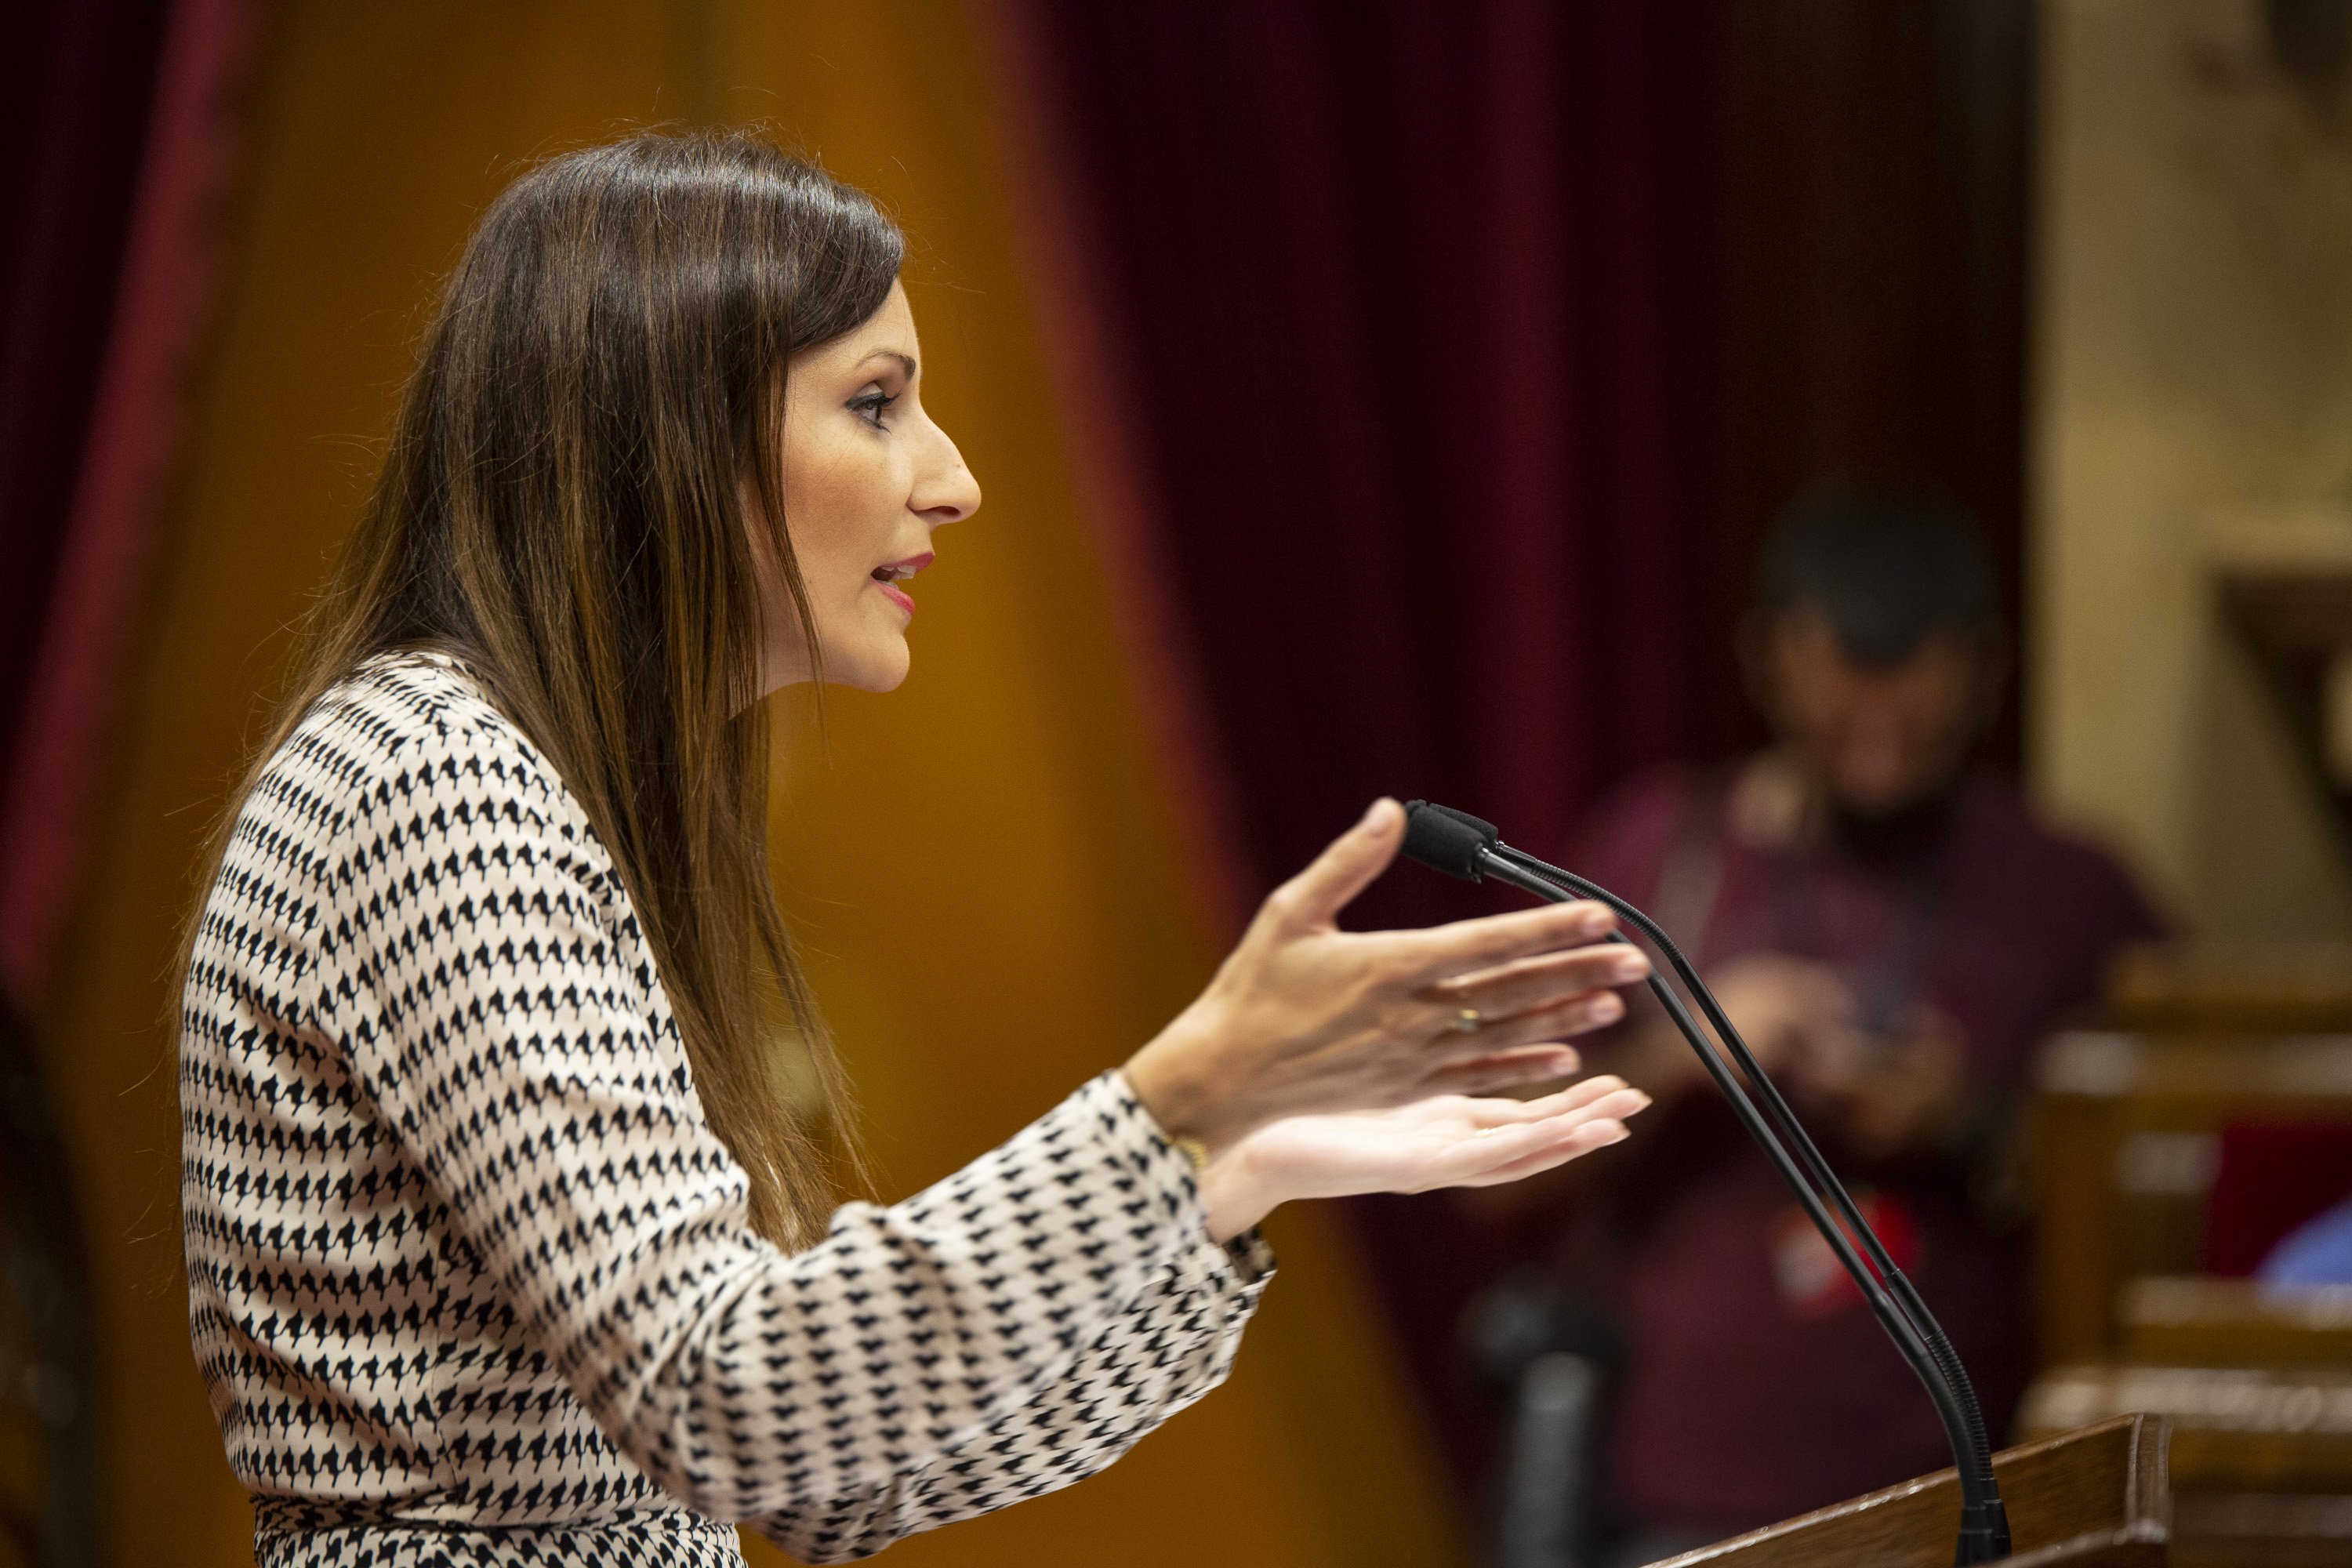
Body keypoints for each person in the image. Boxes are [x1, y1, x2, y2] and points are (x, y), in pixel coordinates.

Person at [176, 132, 1657, 1568]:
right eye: (876, 403)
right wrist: (1172, 1101)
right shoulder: (436, 777)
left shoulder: (522, 771)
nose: (951, 480)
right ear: (667, 434)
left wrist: (1227, 1176)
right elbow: (725, 1402)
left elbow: (843, 1482)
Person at [1551, 494, 2163, 1559]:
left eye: (1913, 723)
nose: (1880, 751)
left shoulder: (2069, 889)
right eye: (1848, 713)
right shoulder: (1653, 852)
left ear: (1981, 669)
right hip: (1672, 1488)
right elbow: (1480, 1168)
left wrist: (1969, 1123)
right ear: (1771, 659)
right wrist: (1690, 1048)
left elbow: (2171, 1173)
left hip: (1963, 1488)